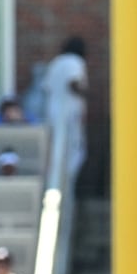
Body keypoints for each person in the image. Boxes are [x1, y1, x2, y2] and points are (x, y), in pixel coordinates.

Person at [42, 36, 88, 177]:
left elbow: (46, 87)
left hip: (53, 111)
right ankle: (66, 187)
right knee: (74, 152)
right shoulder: (75, 61)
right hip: (69, 113)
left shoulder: (56, 62)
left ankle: (57, 184)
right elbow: (73, 83)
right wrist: (86, 93)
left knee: (57, 151)